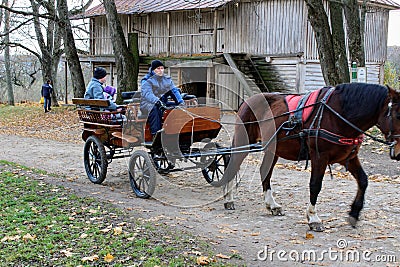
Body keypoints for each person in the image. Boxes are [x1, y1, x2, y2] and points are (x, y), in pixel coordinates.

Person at [140, 60, 185, 137]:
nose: (161, 70)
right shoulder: (146, 80)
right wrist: (156, 101)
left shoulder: (166, 79)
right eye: (158, 68)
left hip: (162, 102)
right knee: (154, 109)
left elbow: (174, 91)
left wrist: (180, 101)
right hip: (147, 104)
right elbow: (147, 93)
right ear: (153, 69)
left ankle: (176, 131)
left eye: (162, 68)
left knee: (176, 107)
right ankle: (156, 134)